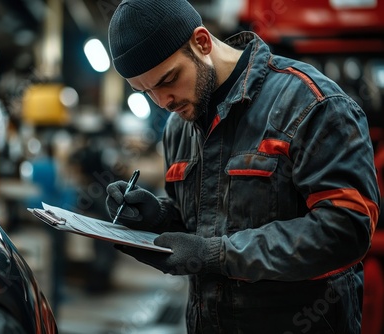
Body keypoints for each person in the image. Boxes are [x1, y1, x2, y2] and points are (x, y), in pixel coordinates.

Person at [104, 0, 381, 333]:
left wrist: (216, 255)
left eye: (167, 80)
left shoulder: (310, 103)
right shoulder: (179, 127)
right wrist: (159, 217)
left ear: (202, 42)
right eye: (146, 91)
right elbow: (204, 223)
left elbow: (346, 230)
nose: (163, 102)